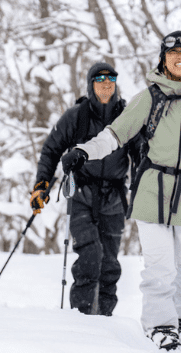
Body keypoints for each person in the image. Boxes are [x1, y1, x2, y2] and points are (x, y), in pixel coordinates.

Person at [68, 32, 181, 351]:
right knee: (160, 266)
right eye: (172, 53)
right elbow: (115, 134)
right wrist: (85, 151)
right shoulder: (150, 97)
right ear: (163, 60)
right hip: (153, 190)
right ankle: (160, 324)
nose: (180, 57)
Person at [31, 62, 129, 316]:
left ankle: (105, 319)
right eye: (100, 79)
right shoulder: (76, 115)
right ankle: (82, 319)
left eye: (111, 79)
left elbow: (142, 152)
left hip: (114, 198)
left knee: (109, 264)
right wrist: (41, 185)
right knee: (89, 257)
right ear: (90, 84)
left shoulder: (126, 115)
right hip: (82, 195)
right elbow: (51, 150)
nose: (106, 84)